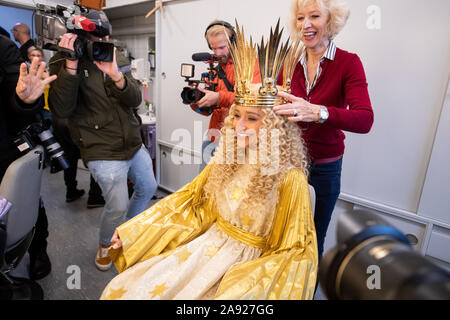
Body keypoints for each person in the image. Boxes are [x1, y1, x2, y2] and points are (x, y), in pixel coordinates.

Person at [100, 22, 318, 300]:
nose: (238, 126)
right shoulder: (225, 162)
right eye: (236, 115)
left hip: (246, 269)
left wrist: (245, 285)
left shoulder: (290, 179)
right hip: (208, 245)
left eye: (252, 118)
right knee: (123, 291)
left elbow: (295, 252)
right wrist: (135, 230)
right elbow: (190, 201)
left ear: (274, 126)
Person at [48, 9, 157, 271]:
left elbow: (134, 99)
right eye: (98, 36)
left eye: (107, 36)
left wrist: (116, 75)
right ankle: (106, 243)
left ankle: (125, 235)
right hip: (101, 149)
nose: (104, 40)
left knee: (148, 187)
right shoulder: (60, 62)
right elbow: (61, 110)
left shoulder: (112, 54)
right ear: (79, 37)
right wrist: (71, 67)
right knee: (117, 206)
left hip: (131, 140)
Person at [273, 0, 374, 259]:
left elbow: (364, 120)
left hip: (324, 169)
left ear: (331, 21)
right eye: (300, 18)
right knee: (280, 231)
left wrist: (318, 112)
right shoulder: (288, 62)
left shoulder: (348, 63)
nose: (305, 25)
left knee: (312, 237)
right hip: (288, 162)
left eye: (314, 16)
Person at [0, 34, 57, 283]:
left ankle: (38, 252)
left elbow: (18, 106)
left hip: (4, 153)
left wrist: (25, 101)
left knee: (29, 204)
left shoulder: (3, 48)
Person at [190, 20, 236, 171]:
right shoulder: (215, 70)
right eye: (213, 48)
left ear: (234, 43)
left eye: (222, 47)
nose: (217, 54)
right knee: (203, 189)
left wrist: (218, 98)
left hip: (238, 143)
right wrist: (196, 100)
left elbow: (252, 101)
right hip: (213, 138)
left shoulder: (249, 66)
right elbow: (206, 112)